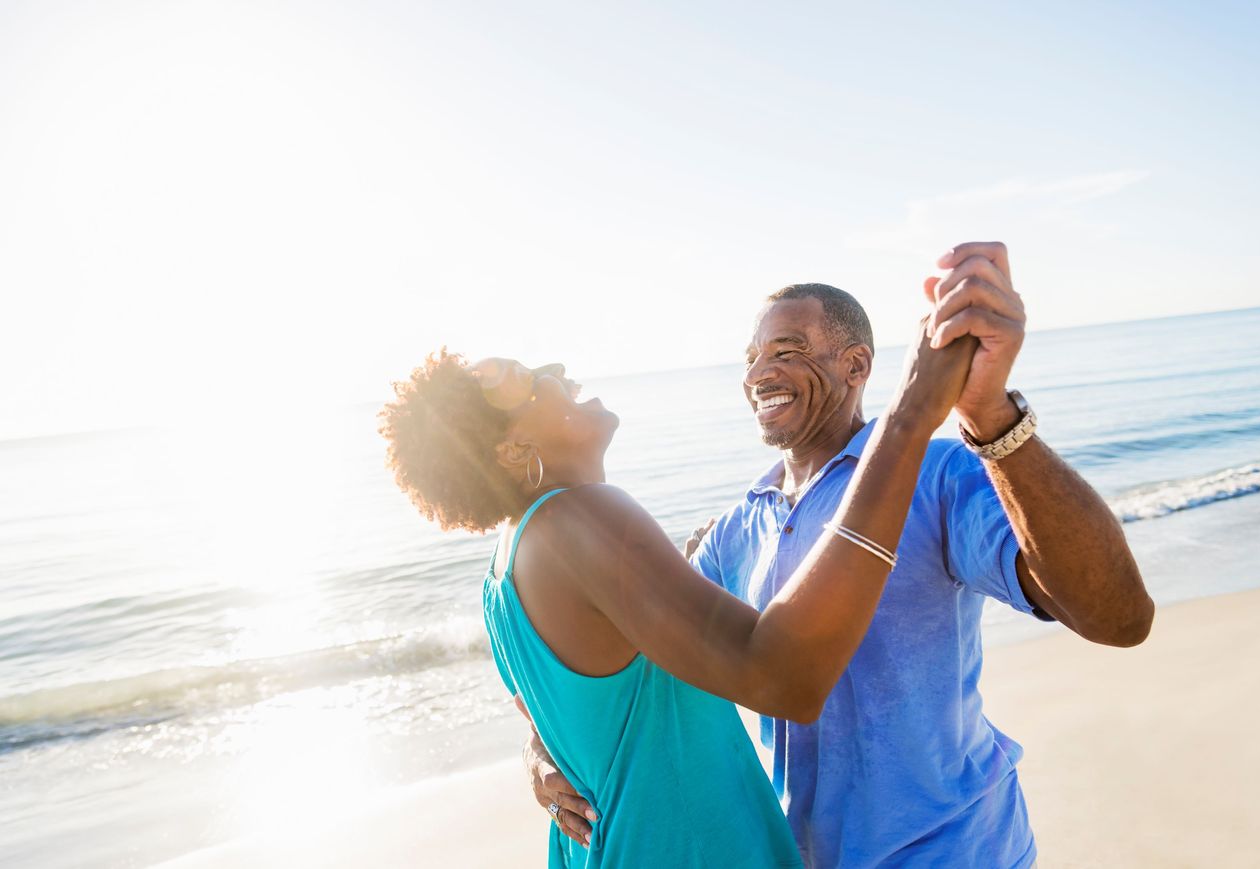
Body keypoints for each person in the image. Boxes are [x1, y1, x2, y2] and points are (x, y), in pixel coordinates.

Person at [524, 242, 1155, 868]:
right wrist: (543, 742)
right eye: (751, 358)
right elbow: (629, 667)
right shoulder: (736, 530)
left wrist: (991, 416)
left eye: (786, 351)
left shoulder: (936, 475)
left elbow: (1118, 618)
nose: (757, 375)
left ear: (856, 366)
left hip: (957, 851)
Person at [379, 306, 978, 866]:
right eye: (530, 380)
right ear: (513, 450)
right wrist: (908, 421)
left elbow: (552, 711)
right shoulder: (580, 519)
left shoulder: (503, 570)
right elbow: (784, 678)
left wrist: (538, 751)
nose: (555, 370)